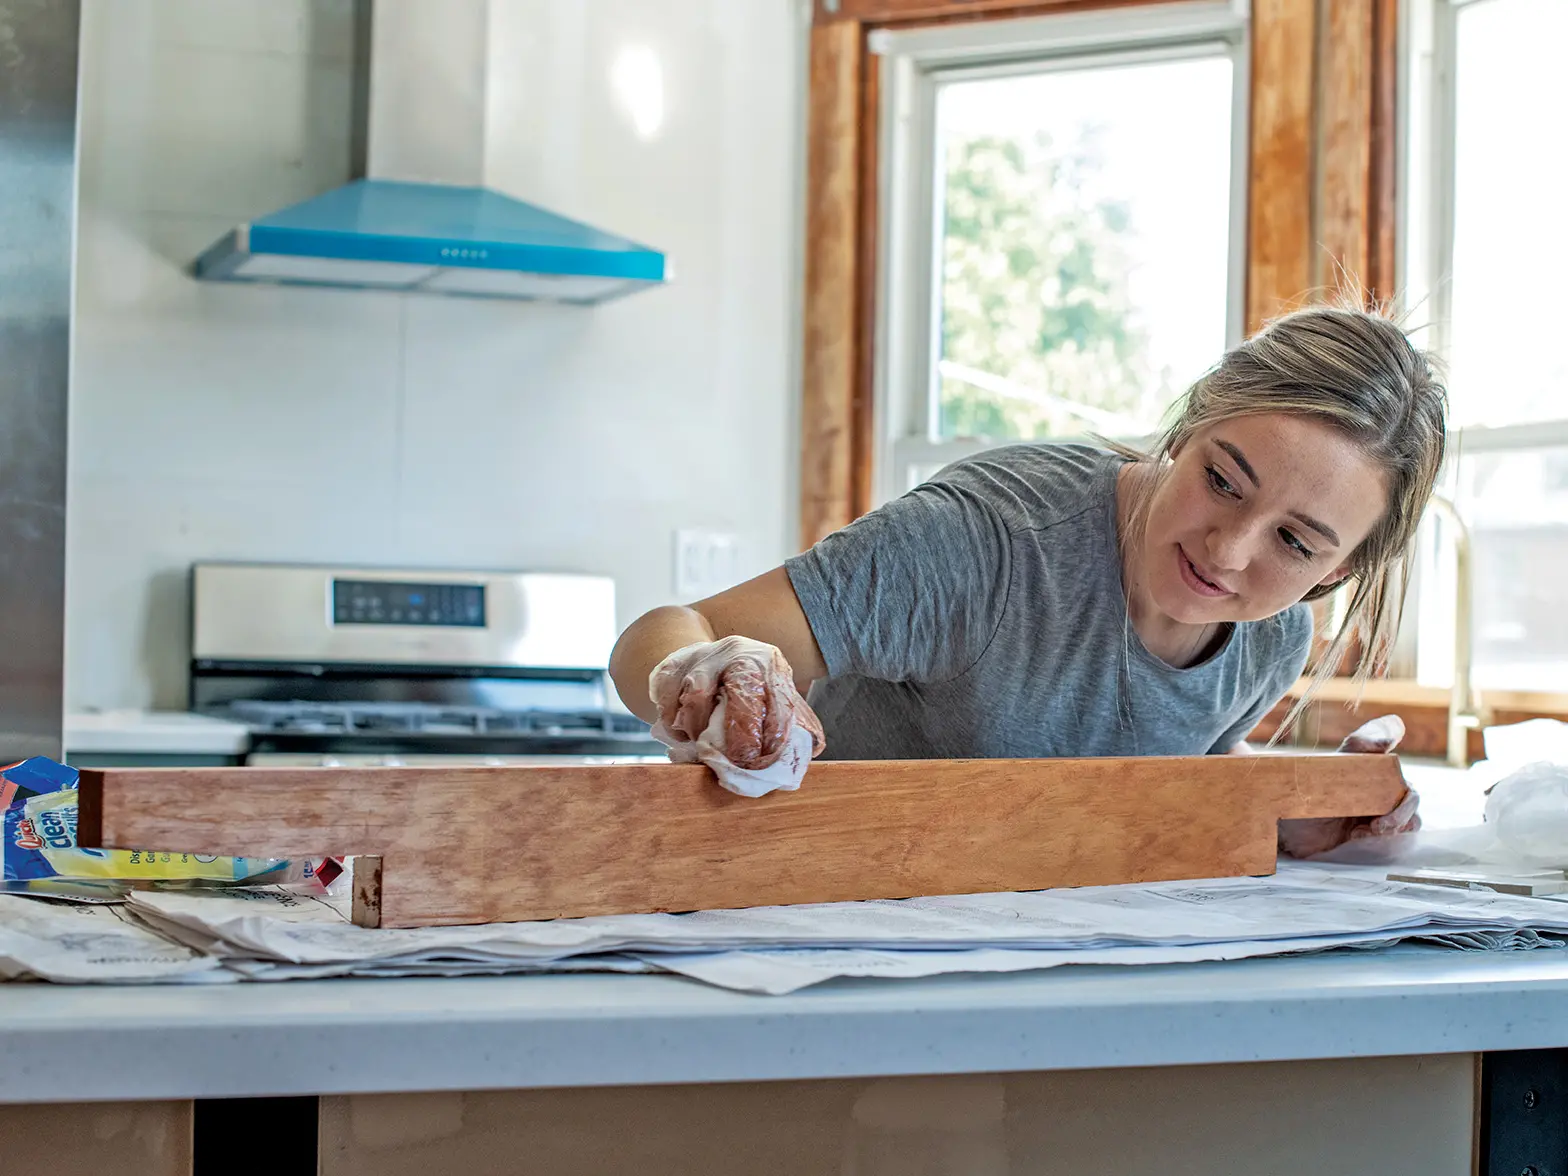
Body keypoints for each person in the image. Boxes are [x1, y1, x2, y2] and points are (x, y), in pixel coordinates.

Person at [609, 305, 1447, 855]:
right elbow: (663, 631)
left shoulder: (1272, 637)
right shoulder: (989, 543)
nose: (1229, 551)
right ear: (1188, 427)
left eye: (1295, 543)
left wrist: (1298, 817)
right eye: (1223, 480)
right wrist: (709, 675)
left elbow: (1155, 780)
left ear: (1336, 571)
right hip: (803, 913)